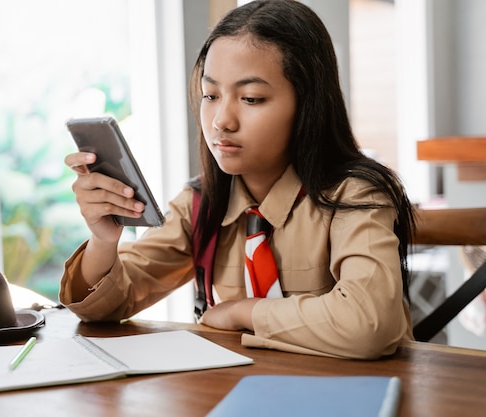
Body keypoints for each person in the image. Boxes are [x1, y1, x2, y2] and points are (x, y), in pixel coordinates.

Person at [60, 0, 416, 360]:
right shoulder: (201, 203)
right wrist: (103, 240)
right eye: (210, 95)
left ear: (308, 105)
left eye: (251, 98)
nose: (221, 121)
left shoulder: (355, 195)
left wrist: (240, 311)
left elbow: (368, 325)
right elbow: (103, 307)